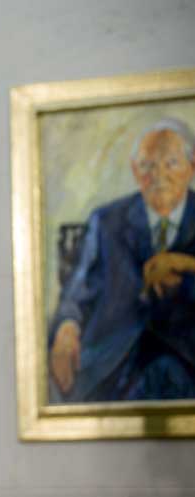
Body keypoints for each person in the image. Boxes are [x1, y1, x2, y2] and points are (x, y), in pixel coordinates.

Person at [50, 118, 195, 402]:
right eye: (147, 165)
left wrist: (185, 263)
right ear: (134, 170)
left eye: (171, 163)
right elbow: (76, 292)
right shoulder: (106, 222)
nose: (159, 175)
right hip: (118, 362)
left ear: (192, 168)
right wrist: (67, 327)